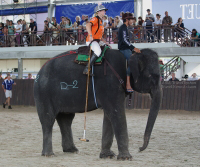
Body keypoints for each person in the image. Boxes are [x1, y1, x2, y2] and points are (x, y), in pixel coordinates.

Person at [83, 4, 111, 75]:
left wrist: (106, 43)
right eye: (103, 10)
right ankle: (86, 68)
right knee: (98, 51)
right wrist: (91, 35)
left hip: (98, 40)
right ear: (99, 12)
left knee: (107, 47)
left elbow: (100, 36)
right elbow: (87, 25)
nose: (105, 12)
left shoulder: (101, 21)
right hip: (91, 40)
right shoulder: (95, 19)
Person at [118, 12, 141, 92]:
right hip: (124, 49)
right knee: (133, 62)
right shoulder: (123, 27)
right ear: (127, 20)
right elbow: (124, 40)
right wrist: (134, 48)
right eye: (131, 19)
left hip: (127, 49)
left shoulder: (125, 27)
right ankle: (128, 84)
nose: (132, 21)